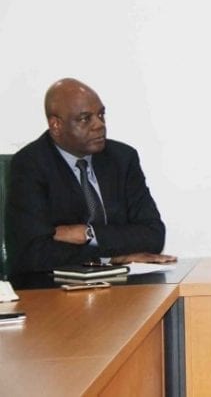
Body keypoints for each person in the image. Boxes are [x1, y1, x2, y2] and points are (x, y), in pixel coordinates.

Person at [7, 78, 176, 273]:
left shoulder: (122, 158)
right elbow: (34, 252)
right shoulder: (30, 164)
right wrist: (112, 257)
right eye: (85, 118)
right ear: (56, 125)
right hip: (55, 291)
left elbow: (153, 236)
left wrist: (88, 233)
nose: (99, 125)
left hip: (123, 287)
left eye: (101, 114)